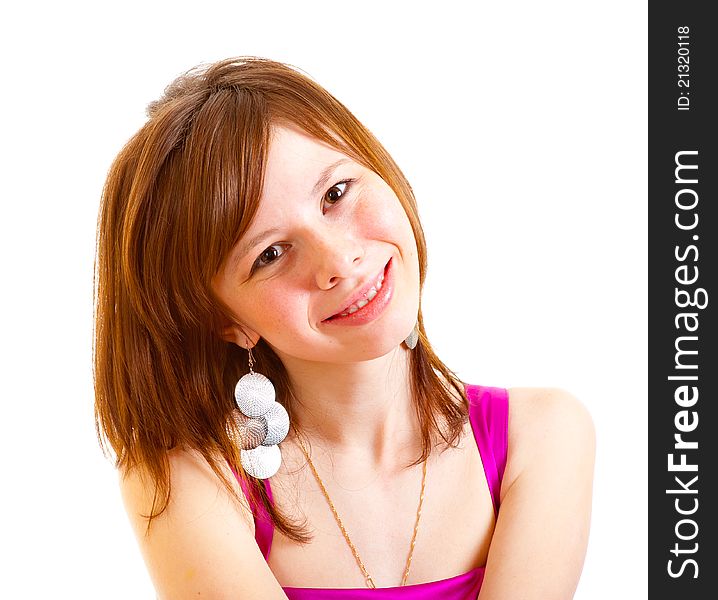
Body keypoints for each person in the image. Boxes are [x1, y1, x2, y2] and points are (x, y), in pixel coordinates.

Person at [94, 57, 595, 599]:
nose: (338, 260)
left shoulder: (541, 435)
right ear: (225, 321)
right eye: (270, 254)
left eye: (336, 193)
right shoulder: (188, 478)